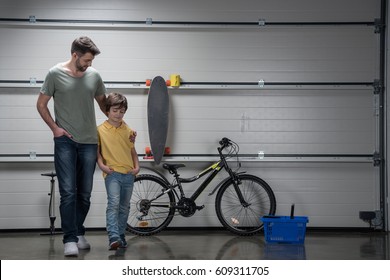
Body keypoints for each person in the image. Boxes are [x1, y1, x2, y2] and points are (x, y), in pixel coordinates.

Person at [36, 36, 107, 256]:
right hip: (65, 141)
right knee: (68, 192)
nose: (89, 64)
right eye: (86, 60)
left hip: (89, 141)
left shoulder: (94, 76)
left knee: (84, 193)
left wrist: (121, 127)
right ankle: (69, 239)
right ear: (75, 55)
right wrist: (55, 129)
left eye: (91, 61)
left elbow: (105, 105)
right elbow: (41, 105)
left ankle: (78, 231)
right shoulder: (54, 74)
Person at [97, 92, 140, 250]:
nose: (118, 114)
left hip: (128, 174)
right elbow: (97, 151)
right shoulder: (100, 130)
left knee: (124, 207)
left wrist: (137, 167)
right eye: (115, 111)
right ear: (107, 110)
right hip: (112, 173)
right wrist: (102, 166)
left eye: (122, 111)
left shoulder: (128, 130)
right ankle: (113, 236)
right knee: (113, 204)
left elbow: (132, 150)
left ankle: (121, 236)